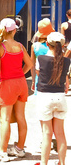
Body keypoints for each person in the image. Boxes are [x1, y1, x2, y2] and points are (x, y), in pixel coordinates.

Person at [0, 18, 33, 162]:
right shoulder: (20, 46)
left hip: (7, 84)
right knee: (21, 116)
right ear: (14, 31)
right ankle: (19, 148)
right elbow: (30, 64)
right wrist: (19, 74)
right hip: (21, 83)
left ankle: (2, 152)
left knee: (5, 119)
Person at [35, 32, 70, 165]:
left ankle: (44, 163)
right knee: (60, 133)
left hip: (45, 98)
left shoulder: (41, 59)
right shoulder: (66, 61)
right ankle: (62, 163)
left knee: (47, 134)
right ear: (62, 45)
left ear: (47, 44)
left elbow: (39, 73)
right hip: (60, 98)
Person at [31, 18, 54, 94]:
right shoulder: (54, 45)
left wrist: (33, 81)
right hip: (53, 79)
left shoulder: (34, 46)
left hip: (40, 79)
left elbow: (32, 65)